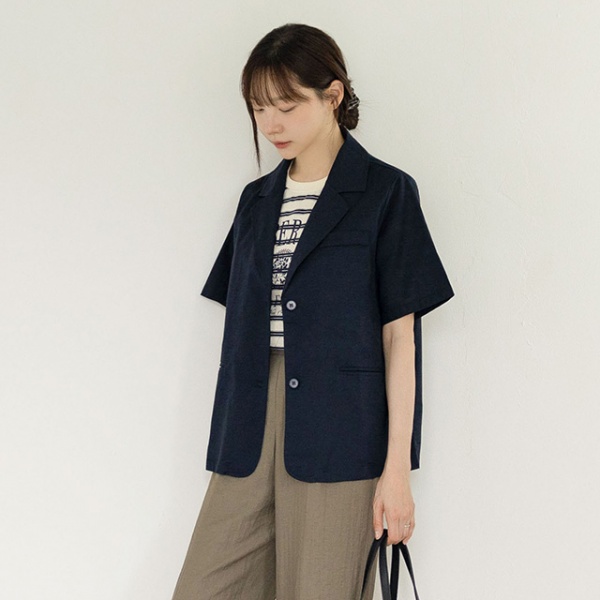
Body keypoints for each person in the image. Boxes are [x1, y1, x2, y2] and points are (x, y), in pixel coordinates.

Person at [171, 23, 454, 600]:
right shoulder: (255, 202)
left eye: (287, 106)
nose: (271, 125)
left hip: (341, 432)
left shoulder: (386, 192)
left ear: (333, 96)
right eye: (259, 109)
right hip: (247, 430)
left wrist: (396, 471)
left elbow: (400, 340)